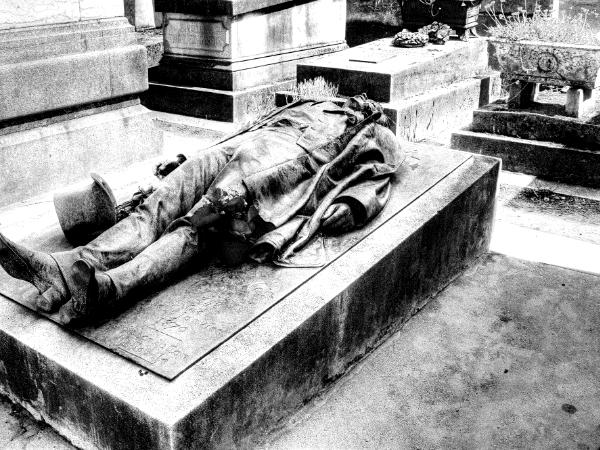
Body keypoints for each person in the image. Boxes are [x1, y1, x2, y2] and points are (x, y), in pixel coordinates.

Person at [0, 95, 403, 325]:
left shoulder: (376, 130)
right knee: (158, 204)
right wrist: (189, 156)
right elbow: (252, 127)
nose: (358, 99)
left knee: (193, 229)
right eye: (353, 96)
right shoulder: (311, 102)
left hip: (268, 179)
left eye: (364, 101)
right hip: (231, 152)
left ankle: (108, 289)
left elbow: (378, 175)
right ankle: (61, 270)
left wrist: (353, 205)